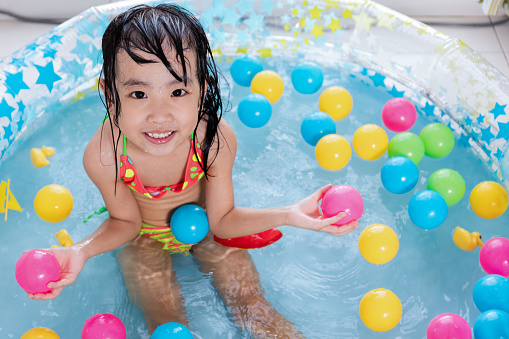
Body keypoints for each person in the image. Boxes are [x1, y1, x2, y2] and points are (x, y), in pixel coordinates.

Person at [28, 4, 359, 337]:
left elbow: (223, 219)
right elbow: (125, 223)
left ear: (202, 91)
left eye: (178, 91)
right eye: (139, 93)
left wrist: (289, 213)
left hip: (209, 230)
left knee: (255, 308)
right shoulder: (104, 155)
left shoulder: (213, 138)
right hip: (144, 239)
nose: (160, 115)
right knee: (167, 325)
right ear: (111, 97)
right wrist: (80, 250)